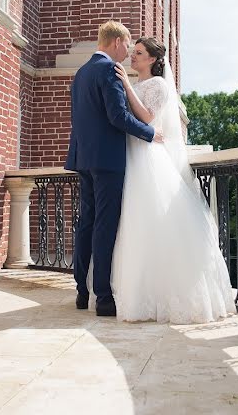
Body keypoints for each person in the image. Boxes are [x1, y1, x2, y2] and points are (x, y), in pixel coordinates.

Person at [108, 37, 236, 324]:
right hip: (131, 152)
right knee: (134, 223)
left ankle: (163, 298)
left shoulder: (158, 86)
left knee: (152, 220)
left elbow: (147, 117)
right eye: (134, 52)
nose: (133, 57)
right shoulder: (140, 84)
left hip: (148, 156)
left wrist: (127, 86)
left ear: (152, 59)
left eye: (139, 53)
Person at [65, 21, 164, 317]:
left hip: (83, 158)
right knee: (104, 226)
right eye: (128, 44)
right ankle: (104, 298)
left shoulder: (81, 73)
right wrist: (150, 134)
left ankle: (82, 292)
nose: (128, 51)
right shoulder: (108, 69)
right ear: (117, 41)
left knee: (86, 223)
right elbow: (117, 116)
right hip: (107, 161)